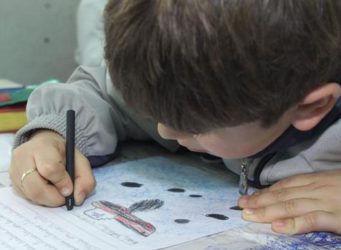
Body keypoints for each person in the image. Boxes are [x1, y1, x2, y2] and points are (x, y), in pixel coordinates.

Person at [9, 0, 341, 235]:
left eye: (194, 127)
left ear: (309, 107)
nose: (163, 130)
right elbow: (100, 93)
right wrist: (50, 135)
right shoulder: (175, 74)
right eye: (152, 112)